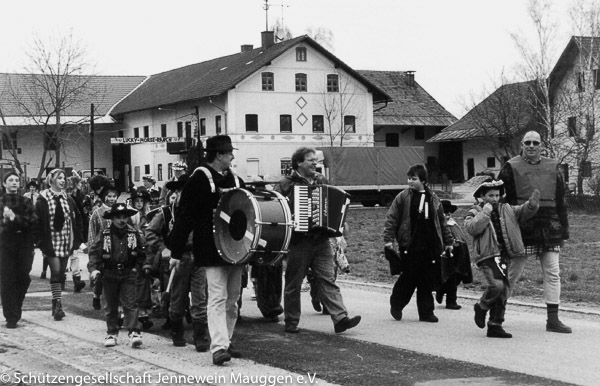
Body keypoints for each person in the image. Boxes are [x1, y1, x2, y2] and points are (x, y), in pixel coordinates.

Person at [169, 135, 245, 365]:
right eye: (229, 152)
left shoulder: (236, 180)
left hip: (236, 248)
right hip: (210, 248)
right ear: (219, 155)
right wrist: (175, 251)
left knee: (233, 298)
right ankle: (219, 347)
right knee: (218, 296)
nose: (232, 156)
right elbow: (185, 218)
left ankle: (227, 339)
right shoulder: (198, 181)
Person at [275, 146, 361, 334]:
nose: (315, 163)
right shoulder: (286, 184)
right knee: (294, 282)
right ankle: (291, 321)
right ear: (299, 162)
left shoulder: (321, 180)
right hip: (299, 241)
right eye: (310, 160)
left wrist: (339, 224)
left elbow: (331, 204)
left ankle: (340, 318)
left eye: (316, 160)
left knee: (327, 279)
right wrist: (293, 214)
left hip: (321, 239)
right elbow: (277, 210)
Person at [498, 130, 573, 334]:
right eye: (527, 143)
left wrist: (563, 229)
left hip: (550, 227)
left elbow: (560, 200)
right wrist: (503, 230)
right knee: (512, 274)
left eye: (535, 143)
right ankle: (497, 314)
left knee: (553, 273)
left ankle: (553, 319)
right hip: (522, 227)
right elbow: (501, 202)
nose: (531, 146)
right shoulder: (510, 167)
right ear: (522, 144)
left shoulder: (553, 167)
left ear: (542, 145)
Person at [464, 178, 539, 338]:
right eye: (491, 195)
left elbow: (523, 212)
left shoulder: (507, 208)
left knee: (504, 290)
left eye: (497, 195)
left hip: (507, 255)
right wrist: (486, 212)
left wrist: (531, 205)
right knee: (497, 286)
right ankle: (482, 307)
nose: (495, 199)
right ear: (483, 197)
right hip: (488, 256)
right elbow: (472, 228)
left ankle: (495, 324)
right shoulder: (475, 211)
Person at [383, 164, 454, 323]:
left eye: (413, 179)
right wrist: (388, 240)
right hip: (410, 245)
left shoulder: (434, 199)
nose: (410, 181)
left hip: (430, 247)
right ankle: (397, 304)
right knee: (409, 277)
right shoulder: (403, 197)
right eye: (409, 178)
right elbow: (392, 219)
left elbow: (442, 222)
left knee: (426, 280)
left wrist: (448, 242)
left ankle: (426, 312)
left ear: (423, 180)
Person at [88, 203, 146, 348]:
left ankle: (134, 331)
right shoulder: (105, 234)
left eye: (124, 217)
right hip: (109, 273)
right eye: (118, 217)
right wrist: (94, 269)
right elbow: (94, 252)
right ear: (112, 219)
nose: (122, 220)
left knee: (131, 303)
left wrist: (138, 268)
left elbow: (142, 253)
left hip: (128, 272)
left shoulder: (133, 233)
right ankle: (112, 332)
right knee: (110, 305)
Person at [33, 168, 84, 321]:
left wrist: (78, 239)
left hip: (65, 240)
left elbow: (78, 219)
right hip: (51, 241)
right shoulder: (43, 198)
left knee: (61, 274)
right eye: (59, 178)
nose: (63, 180)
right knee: (55, 272)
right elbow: (37, 222)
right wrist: (40, 241)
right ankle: (58, 306)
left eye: (64, 178)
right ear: (52, 179)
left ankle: (55, 301)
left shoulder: (67, 198)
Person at [1, 171, 36, 328]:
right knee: (7, 279)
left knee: (23, 277)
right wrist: (5, 221)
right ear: (4, 184)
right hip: (5, 244)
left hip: (24, 245)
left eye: (16, 180)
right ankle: (11, 316)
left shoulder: (26, 201)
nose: (14, 182)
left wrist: (15, 218)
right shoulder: (1, 202)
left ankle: (16, 305)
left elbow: (32, 222)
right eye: (10, 180)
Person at [435, 200, 473, 310]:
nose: (447, 215)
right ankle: (451, 301)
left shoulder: (454, 224)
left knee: (458, 277)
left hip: (459, 256)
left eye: (449, 213)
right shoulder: (439, 226)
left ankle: (442, 290)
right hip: (446, 256)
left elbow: (461, 238)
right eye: (445, 213)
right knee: (451, 277)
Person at [87, 185, 119, 310]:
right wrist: (92, 250)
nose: (111, 199)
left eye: (114, 196)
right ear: (104, 197)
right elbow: (92, 233)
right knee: (100, 275)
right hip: (101, 248)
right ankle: (96, 295)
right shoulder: (97, 213)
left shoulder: (119, 211)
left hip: (116, 249)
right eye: (109, 196)